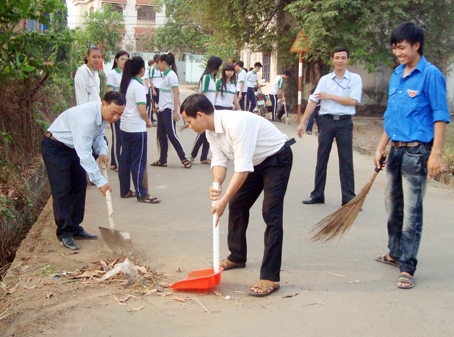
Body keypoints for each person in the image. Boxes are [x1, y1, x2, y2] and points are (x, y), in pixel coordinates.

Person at [181, 93, 294, 297]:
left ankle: (270, 276)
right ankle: (237, 255)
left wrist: (222, 201)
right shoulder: (210, 131)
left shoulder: (236, 124)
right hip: (255, 162)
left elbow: (242, 169)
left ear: (199, 115)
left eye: (188, 121)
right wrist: (217, 185)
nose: (188, 126)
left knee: (271, 213)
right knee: (237, 205)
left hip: (277, 159)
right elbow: (220, 161)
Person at [373, 22, 450, 289]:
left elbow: (440, 115)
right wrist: (381, 146)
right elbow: (391, 115)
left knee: (412, 212)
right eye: (395, 48)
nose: (398, 53)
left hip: (418, 152)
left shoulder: (430, 75)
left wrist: (436, 154)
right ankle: (395, 253)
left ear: (416, 45)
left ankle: (408, 266)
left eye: (402, 47)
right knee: (392, 207)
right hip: (395, 150)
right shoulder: (396, 74)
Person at [41, 91, 126, 250]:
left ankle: (75, 227)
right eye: (113, 113)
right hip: (55, 147)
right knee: (62, 189)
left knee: (79, 186)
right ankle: (64, 232)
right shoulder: (85, 119)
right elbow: (85, 154)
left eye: (120, 114)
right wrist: (100, 181)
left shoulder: (101, 116)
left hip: (72, 147)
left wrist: (102, 151)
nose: (115, 118)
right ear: (103, 103)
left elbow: (99, 135)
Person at [297, 46, 362, 206]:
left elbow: (353, 101)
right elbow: (313, 100)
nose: (340, 61)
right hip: (326, 121)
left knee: (346, 161)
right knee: (322, 158)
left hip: (345, 122)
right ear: (332, 59)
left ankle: (348, 198)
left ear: (348, 60)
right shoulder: (325, 80)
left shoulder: (355, 79)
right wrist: (303, 122)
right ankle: (317, 194)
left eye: (343, 58)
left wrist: (330, 96)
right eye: (337, 57)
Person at [118, 56, 160, 204]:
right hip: (136, 128)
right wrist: (148, 121)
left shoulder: (126, 84)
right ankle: (142, 193)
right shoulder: (139, 86)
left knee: (125, 160)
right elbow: (142, 110)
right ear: (142, 70)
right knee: (139, 161)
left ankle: (124, 190)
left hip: (125, 126)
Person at [150, 53, 192, 169]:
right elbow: (165, 93)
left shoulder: (171, 76)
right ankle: (162, 159)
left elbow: (176, 93)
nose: (157, 65)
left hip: (168, 109)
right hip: (162, 109)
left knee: (171, 134)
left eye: (158, 63)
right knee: (161, 135)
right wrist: (158, 105)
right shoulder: (164, 75)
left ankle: (184, 158)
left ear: (164, 62)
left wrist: (175, 110)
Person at [189, 55, 223, 165]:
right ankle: (192, 156)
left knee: (208, 134)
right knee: (202, 134)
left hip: (210, 110)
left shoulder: (213, 78)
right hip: (204, 110)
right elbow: (203, 94)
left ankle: (203, 157)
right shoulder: (207, 77)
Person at [106, 50, 129, 171]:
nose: (124, 62)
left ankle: (114, 162)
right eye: (122, 59)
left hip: (124, 110)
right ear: (116, 60)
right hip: (114, 110)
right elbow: (109, 92)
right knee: (117, 136)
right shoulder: (112, 74)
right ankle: (118, 163)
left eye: (126, 59)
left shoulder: (127, 74)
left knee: (122, 136)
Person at [149, 54, 162, 126]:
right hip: (155, 88)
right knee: (153, 104)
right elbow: (151, 80)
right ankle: (150, 118)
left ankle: (158, 118)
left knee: (158, 104)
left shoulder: (159, 69)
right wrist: (153, 90)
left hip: (159, 88)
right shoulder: (152, 69)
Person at [145, 59, 157, 126]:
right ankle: (149, 119)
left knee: (148, 105)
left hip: (146, 90)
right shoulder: (148, 71)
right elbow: (146, 81)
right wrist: (149, 88)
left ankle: (150, 118)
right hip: (147, 91)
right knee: (149, 105)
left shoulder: (147, 70)